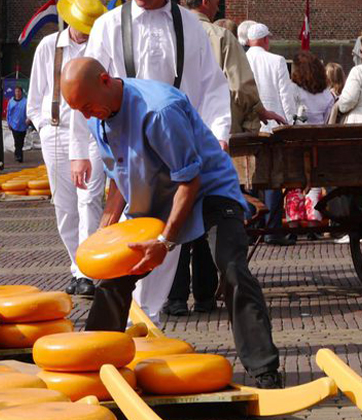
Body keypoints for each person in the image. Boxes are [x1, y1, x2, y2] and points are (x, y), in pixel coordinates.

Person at [61, 57, 282, 389]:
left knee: (233, 269)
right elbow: (118, 175)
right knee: (115, 275)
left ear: (106, 80)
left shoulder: (159, 111)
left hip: (209, 193)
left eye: (87, 105)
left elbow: (189, 181)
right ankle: (94, 366)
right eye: (78, 109)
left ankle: (264, 371)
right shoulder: (97, 115)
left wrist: (165, 241)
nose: (85, 115)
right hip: (155, 197)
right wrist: (107, 228)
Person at [69, 0, 233, 324]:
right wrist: (80, 150)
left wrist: (218, 133)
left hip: (177, 146)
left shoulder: (189, 24)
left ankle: (148, 321)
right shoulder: (109, 25)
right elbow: (84, 88)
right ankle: (129, 324)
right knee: (131, 244)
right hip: (129, 150)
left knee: (167, 243)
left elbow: (211, 83)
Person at [163, 0, 288, 316]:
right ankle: (204, 295)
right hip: (212, 140)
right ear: (206, 4)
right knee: (208, 215)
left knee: (176, 214)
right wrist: (256, 114)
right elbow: (241, 86)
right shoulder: (219, 36)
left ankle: (175, 297)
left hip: (169, 138)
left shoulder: (160, 31)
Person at [27, 0, 106, 297]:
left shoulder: (101, 46)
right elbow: (35, 97)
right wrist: (44, 126)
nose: (85, 33)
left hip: (93, 133)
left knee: (90, 199)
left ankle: (87, 271)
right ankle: (78, 266)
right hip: (56, 133)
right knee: (64, 206)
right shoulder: (49, 46)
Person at [246, 23, 297, 246]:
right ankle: (273, 228)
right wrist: (291, 122)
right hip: (273, 127)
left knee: (248, 176)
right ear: (266, 40)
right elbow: (286, 95)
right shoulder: (276, 61)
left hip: (247, 126)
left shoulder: (242, 59)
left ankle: (251, 224)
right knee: (274, 177)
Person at [284, 51, 334, 228]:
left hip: (296, 139)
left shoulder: (292, 89)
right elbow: (329, 117)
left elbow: (289, 112)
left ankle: (294, 218)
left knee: (294, 179)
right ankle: (314, 216)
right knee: (314, 179)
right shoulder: (326, 93)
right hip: (318, 140)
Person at [7, 86, 28, 162]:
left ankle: (17, 153)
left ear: (21, 92)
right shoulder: (11, 101)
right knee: (17, 141)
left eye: (18, 91)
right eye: (16, 91)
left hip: (23, 125)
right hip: (14, 125)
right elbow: (8, 112)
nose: (17, 93)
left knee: (21, 141)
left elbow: (29, 112)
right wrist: (8, 122)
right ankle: (19, 156)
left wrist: (28, 119)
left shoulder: (25, 101)